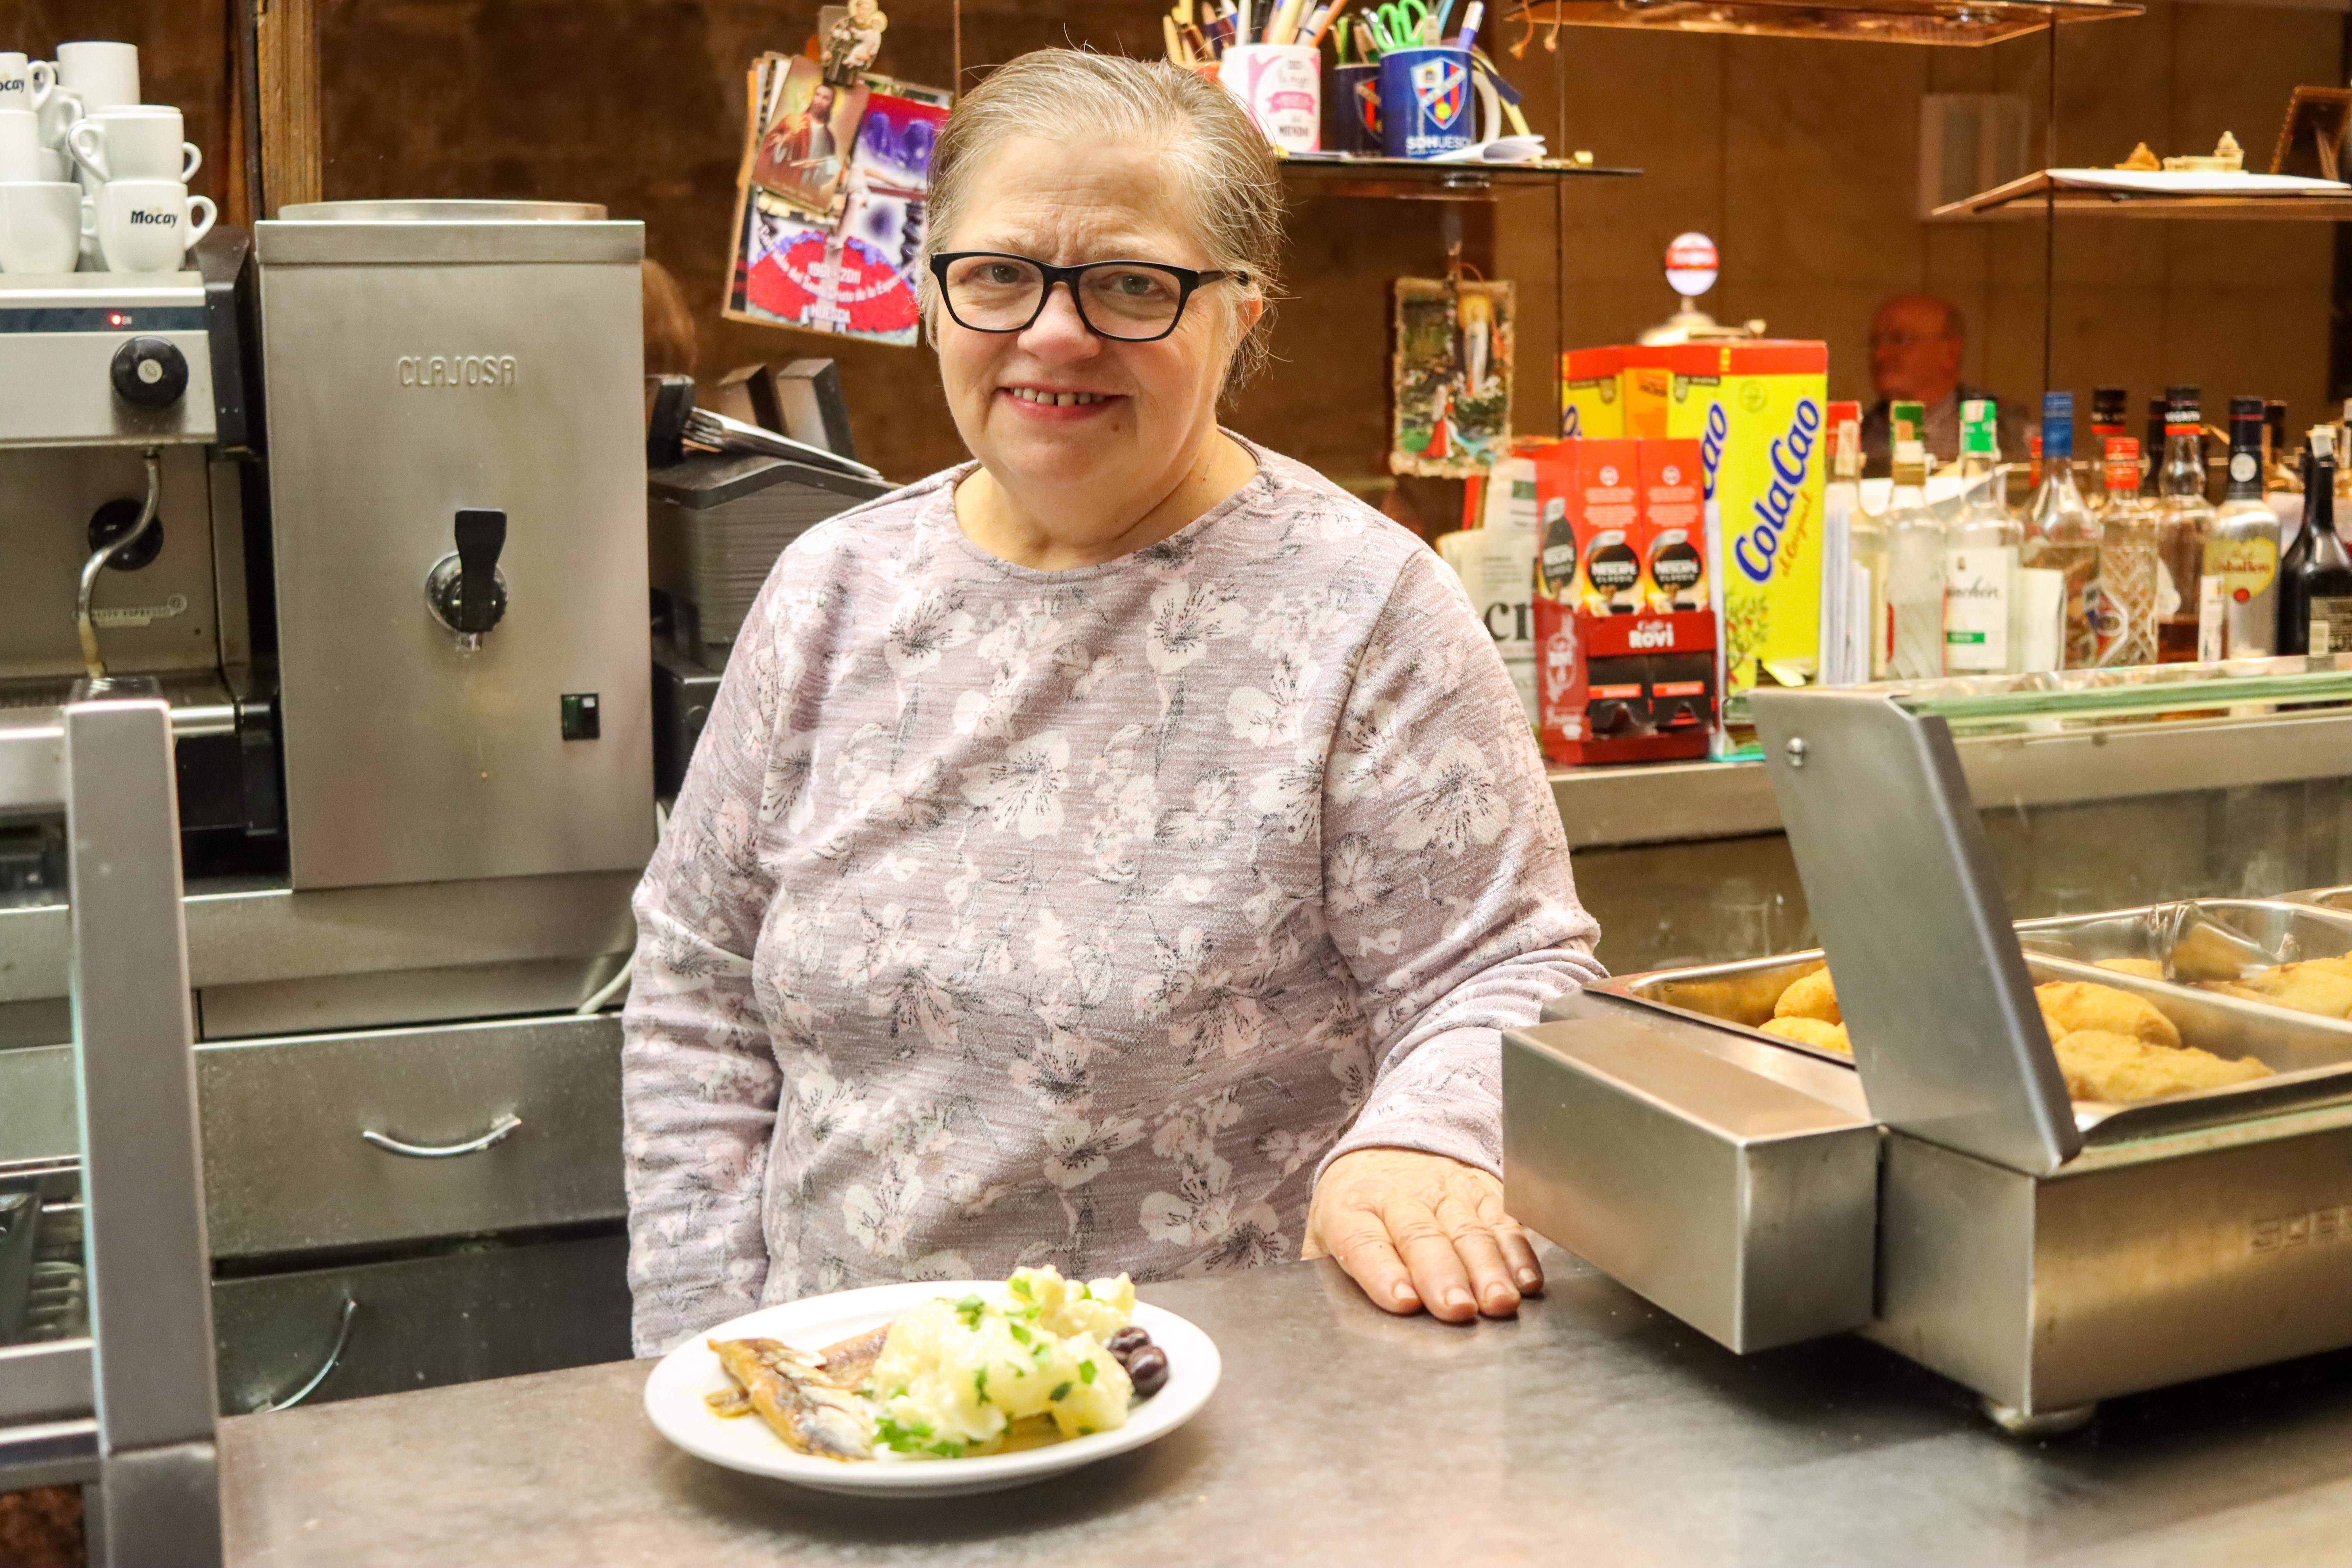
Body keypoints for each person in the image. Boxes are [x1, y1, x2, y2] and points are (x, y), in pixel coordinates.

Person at [621, 49, 1603, 1355]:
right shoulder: (829, 590)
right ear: (933, 297)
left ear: (1239, 315)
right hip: (844, 1414)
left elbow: (1506, 966)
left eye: (1134, 283)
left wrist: (1421, 1137)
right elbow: (698, 984)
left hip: (1229, 1425)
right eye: (998, 274)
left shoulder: (1360, 608)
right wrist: (700, 1349)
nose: (1054, 331)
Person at [1859, 293, 2022, 472]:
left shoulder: (2001, 427)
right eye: (1875, 343)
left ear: (1951, 352)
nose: (1880, 354)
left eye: (1900, 339)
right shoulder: (1860, 433)